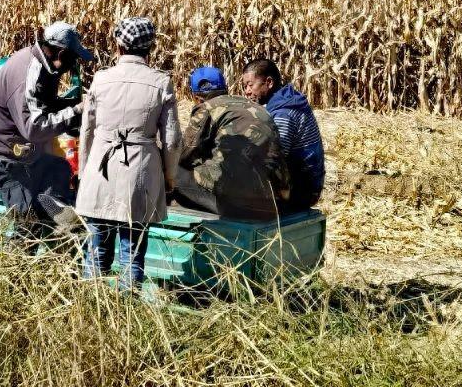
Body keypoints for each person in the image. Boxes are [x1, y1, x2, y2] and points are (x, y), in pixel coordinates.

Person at [75, 17, 181, 290]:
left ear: (119, 45)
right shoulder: (161, 82)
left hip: (101, 169)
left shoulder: (101, 79)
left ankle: (90, 313)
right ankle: (127, 320)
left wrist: (85, 173)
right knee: (132, 256)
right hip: (139, 174)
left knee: (95, 253)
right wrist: (170, 179)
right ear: (151, 49)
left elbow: (87, 130)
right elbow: (171, 140)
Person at [0, 21, 95, 233]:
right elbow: (34, 128)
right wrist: (76, 112)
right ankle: (20, 259)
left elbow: (42, 107)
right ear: (62, 54)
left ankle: (51, 208)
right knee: (28, 221)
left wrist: (73, 106)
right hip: (2, 158)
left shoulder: (46, 67)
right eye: (73, 59)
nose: (73, 65)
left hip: (23, 153)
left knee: (59, 169)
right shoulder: (30, 73)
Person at [173, 66, 289, 220]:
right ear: (225, 88)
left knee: (172, 172)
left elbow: (182, 154)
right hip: (275, 200)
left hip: (238, 201)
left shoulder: (206, 108)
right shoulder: (255, 106)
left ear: (195, 96)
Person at [240, 58, 325, 212]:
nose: (247, 91)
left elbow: (275, 158)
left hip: (303, 191)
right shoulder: (286, 101)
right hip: (306, 183)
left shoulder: (283, 114)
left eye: (250, 85)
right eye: (245, 86)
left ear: (269, 82)